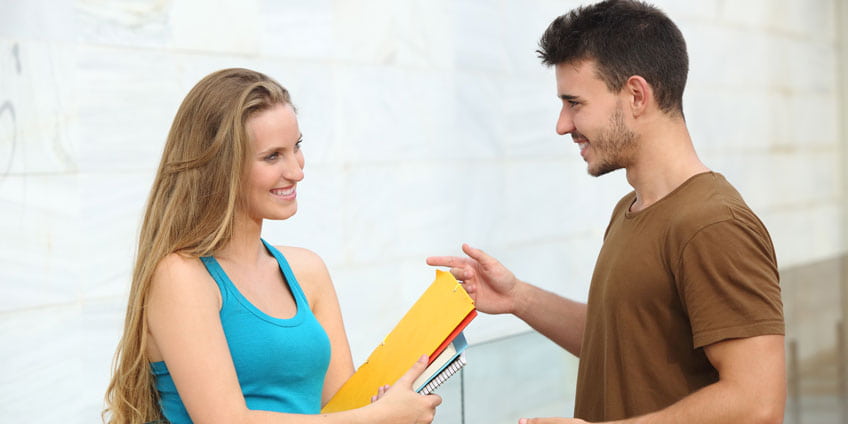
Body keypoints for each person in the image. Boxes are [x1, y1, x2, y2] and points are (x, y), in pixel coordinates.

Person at [427, 1, 785, 423]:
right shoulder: (630, 210)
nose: (562, 124)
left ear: (636, 95)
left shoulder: (712, 224)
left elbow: (757, 404)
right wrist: (518, 298)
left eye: (574, 103)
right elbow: (621, 344)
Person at [103, 68, 441, 424]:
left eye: (296, 147)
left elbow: (343, 407)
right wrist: (376, 419)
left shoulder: (308, 271)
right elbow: (225, 421)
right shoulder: (180, 276)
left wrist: (387, 407)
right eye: (272, 156)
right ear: (221, 168)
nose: (296, 171)